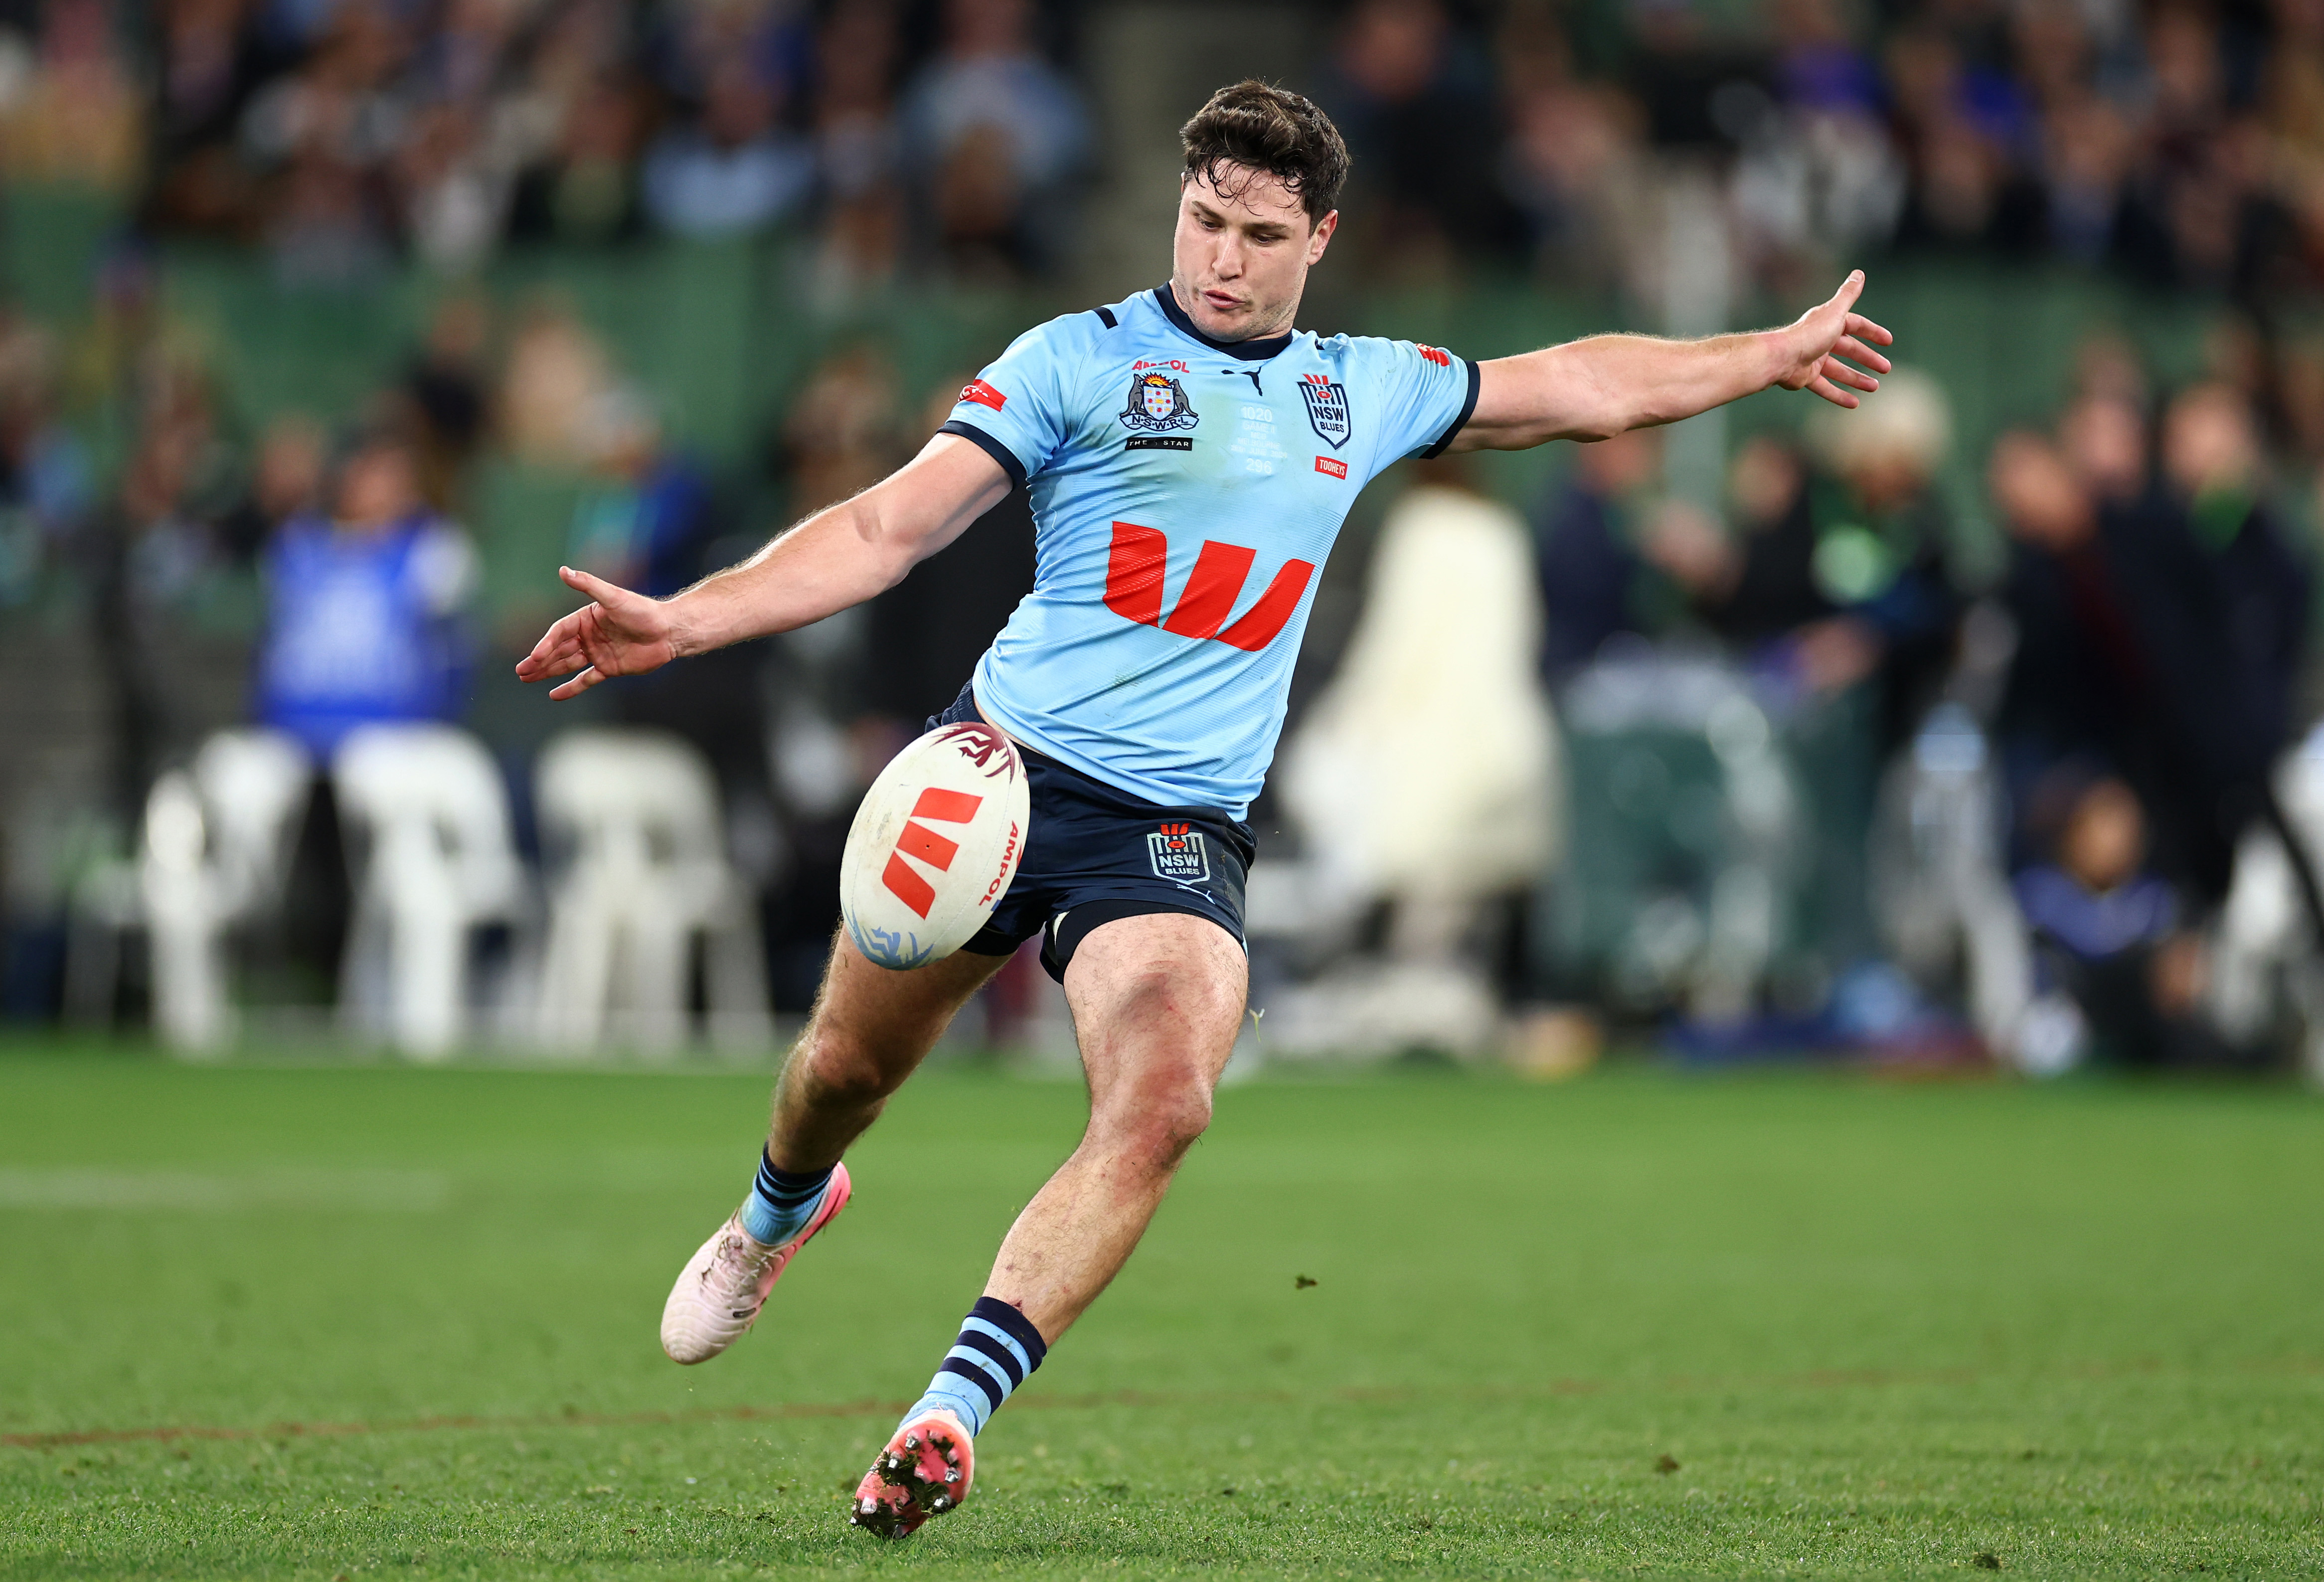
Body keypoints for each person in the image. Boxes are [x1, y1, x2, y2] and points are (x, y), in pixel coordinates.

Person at [514, 79, 1892, 1540]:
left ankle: (946, 1414)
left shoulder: (1357, 387)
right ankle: (779, 1213)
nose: (1219, 257)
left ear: (1318, 240)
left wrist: (1770, 352)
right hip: (998, 774)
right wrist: (689, 618)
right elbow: (882, 528)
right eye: (1201, 219)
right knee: (842, 1074)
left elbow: (1578, 383)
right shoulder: (1073, 362)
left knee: (1165, 1100)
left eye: (1255, 233)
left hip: (1169, 830)